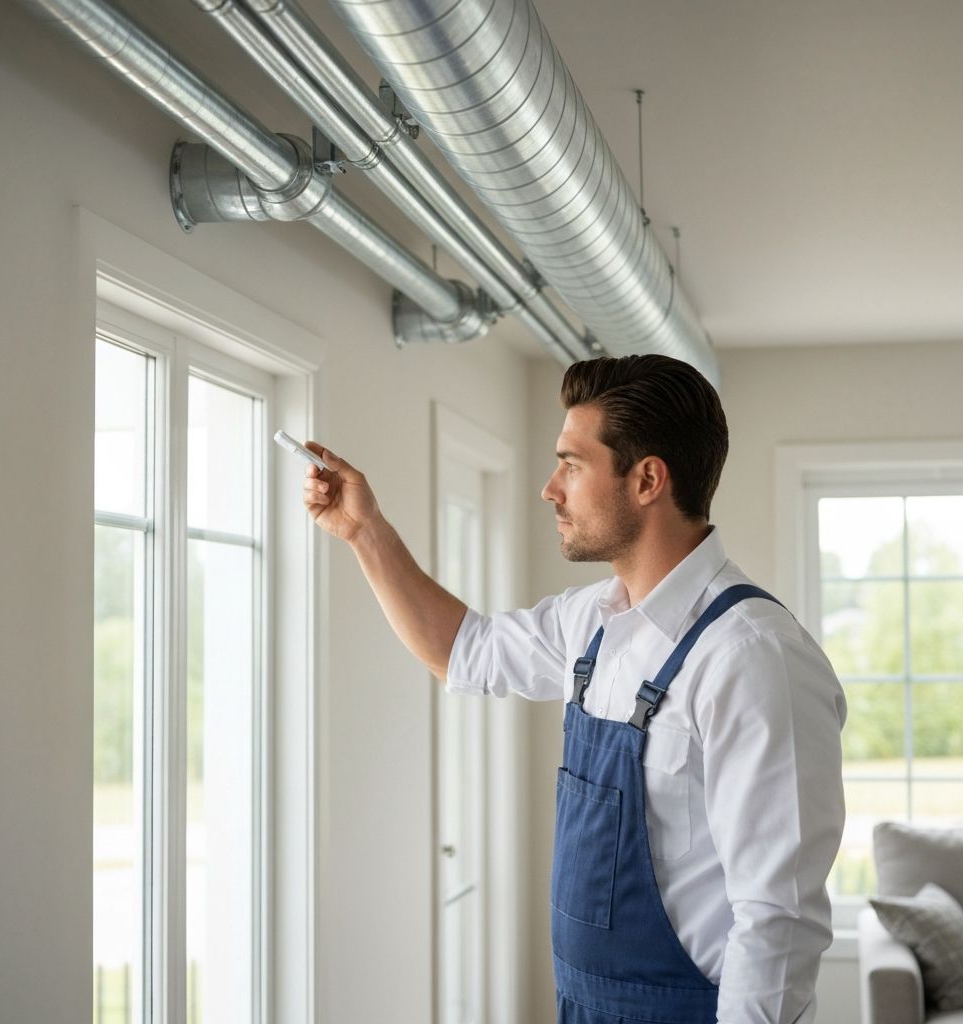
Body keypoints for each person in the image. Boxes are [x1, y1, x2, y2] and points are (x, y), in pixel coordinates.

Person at [302, 354, 846, 1024]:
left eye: (572, 463)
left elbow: (779, 923)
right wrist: (364, 531)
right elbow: (462, 652)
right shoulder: (592, 623)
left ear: (647, 479)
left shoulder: (753, 658)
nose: (550, 489)